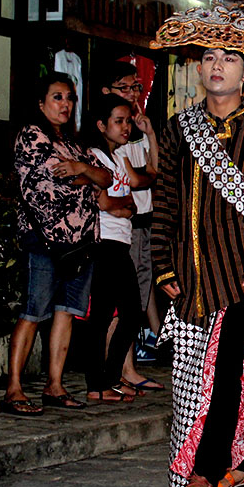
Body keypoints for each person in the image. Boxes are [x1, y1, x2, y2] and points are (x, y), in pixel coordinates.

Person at [149, 4, 244, 487]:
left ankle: (205, 473)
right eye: (209, 56)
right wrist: (164, 267)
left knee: (229, 370)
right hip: (190, 279)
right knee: (193, 380)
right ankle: (243, 460)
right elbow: (164, 202)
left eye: (229, 58)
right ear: (197, 68)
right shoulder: (177, 130)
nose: (217, 65)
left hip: (242, 278)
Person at [1, 73, 113, 416]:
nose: (65, 104)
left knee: (67, 312)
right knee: (34, 310)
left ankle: (55, 384)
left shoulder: (76, 144)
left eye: (69, 98)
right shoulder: (33, 136)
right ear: (41, 103)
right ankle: (14, 389)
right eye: (57, 97)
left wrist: (81, 168)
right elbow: (54, 181)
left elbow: (105, 177)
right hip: (46, 238)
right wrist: (86, 176)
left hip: (80, 241)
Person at [99, 60, 164, 390]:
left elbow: (150, 175)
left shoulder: (129, 140)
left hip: (138, 224)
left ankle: (124, 369)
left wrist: (149, 132)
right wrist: (123, 206)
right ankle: (115, 373)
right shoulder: (102, 149)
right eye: (126, 87)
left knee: (132, 302)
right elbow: (113, 196)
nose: (134, 93)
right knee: (119, 307)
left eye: (137, 87)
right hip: (114, 234)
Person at [82, 94, 149, 403]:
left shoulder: (119, 156)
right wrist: (121, 206)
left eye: (126, 120)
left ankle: (107, 378)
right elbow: (105, 202)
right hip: (104, 241)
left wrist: (123, 206)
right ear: (101, 125)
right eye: (118, 121)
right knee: (105, 315)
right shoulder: (94, 155)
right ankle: (98, 383)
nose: (125, 127)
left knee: (131, 313)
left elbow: (133, 201)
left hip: (121, 239)